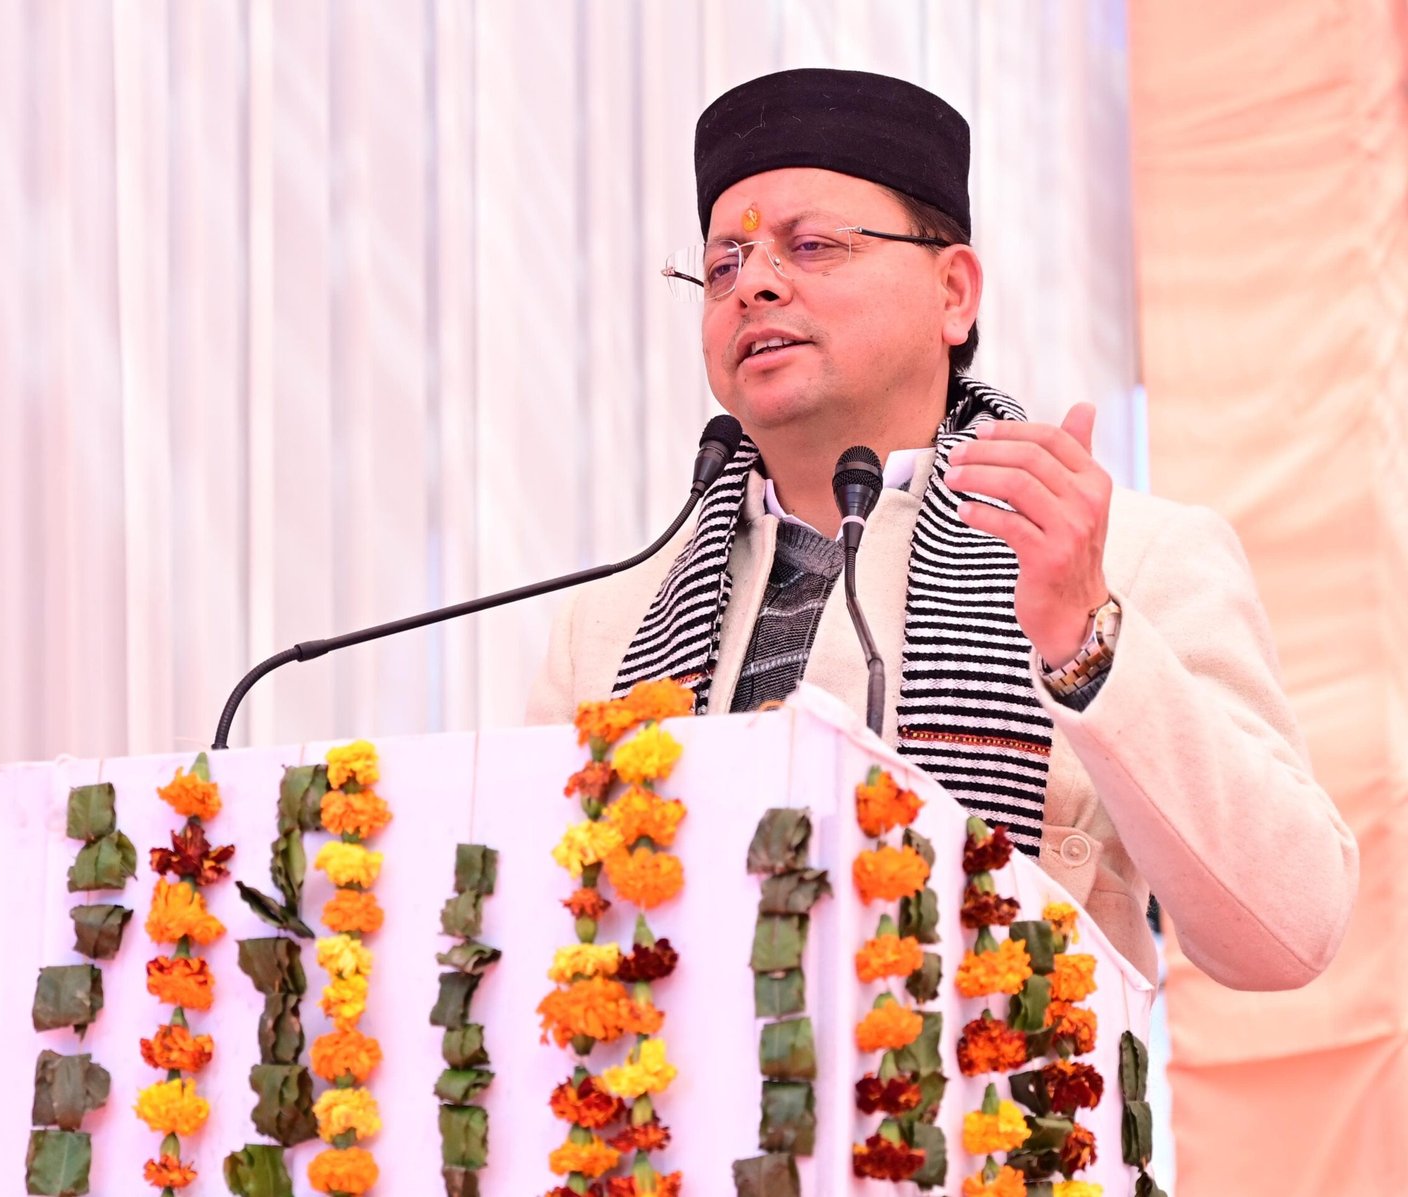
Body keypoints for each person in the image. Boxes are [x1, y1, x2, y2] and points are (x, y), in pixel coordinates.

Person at [527, 67, 1356, 989]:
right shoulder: (608, 625)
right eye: (723, 266)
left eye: (811, 246)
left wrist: (1087, 639)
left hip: (999, 1083)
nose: (752, 285)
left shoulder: (1121, 556)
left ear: (954, 292)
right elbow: (538, 934)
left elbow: (1291, 932)